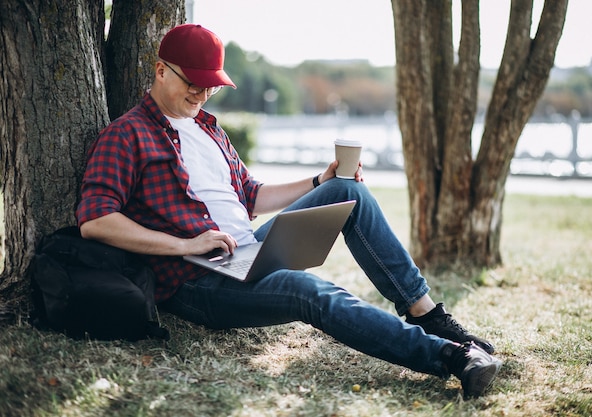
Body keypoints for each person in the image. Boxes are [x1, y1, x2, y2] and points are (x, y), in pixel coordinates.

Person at [76, 24, 501, 398]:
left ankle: (428, 315)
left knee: (346, 189)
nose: (201, 95)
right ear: (161, 69)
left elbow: (251, 195)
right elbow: (96, 220)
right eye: (193, 83)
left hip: (247, 252)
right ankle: (451, 358)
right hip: (197, 280)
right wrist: (187, 243)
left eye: (211, 87)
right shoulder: (126, 135)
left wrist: (321, 181)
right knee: (308, 291)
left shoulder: (209, 127)